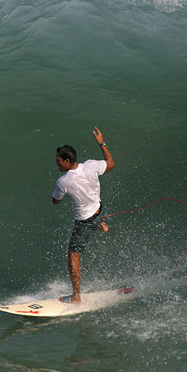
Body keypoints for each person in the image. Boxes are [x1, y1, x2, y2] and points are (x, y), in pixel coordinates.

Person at [52, 127, 115, 303]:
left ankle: (76, 296)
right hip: (100, 210)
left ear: (66, 161)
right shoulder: (91, 165)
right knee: (97, 212)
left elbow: (55, 201)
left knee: (72, 256)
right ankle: (102, 224)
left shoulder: (63, 181)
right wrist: (102, 143)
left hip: (85, 221)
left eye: (58, 160)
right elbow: (110, 163)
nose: (56, 163)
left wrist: (62, 195)